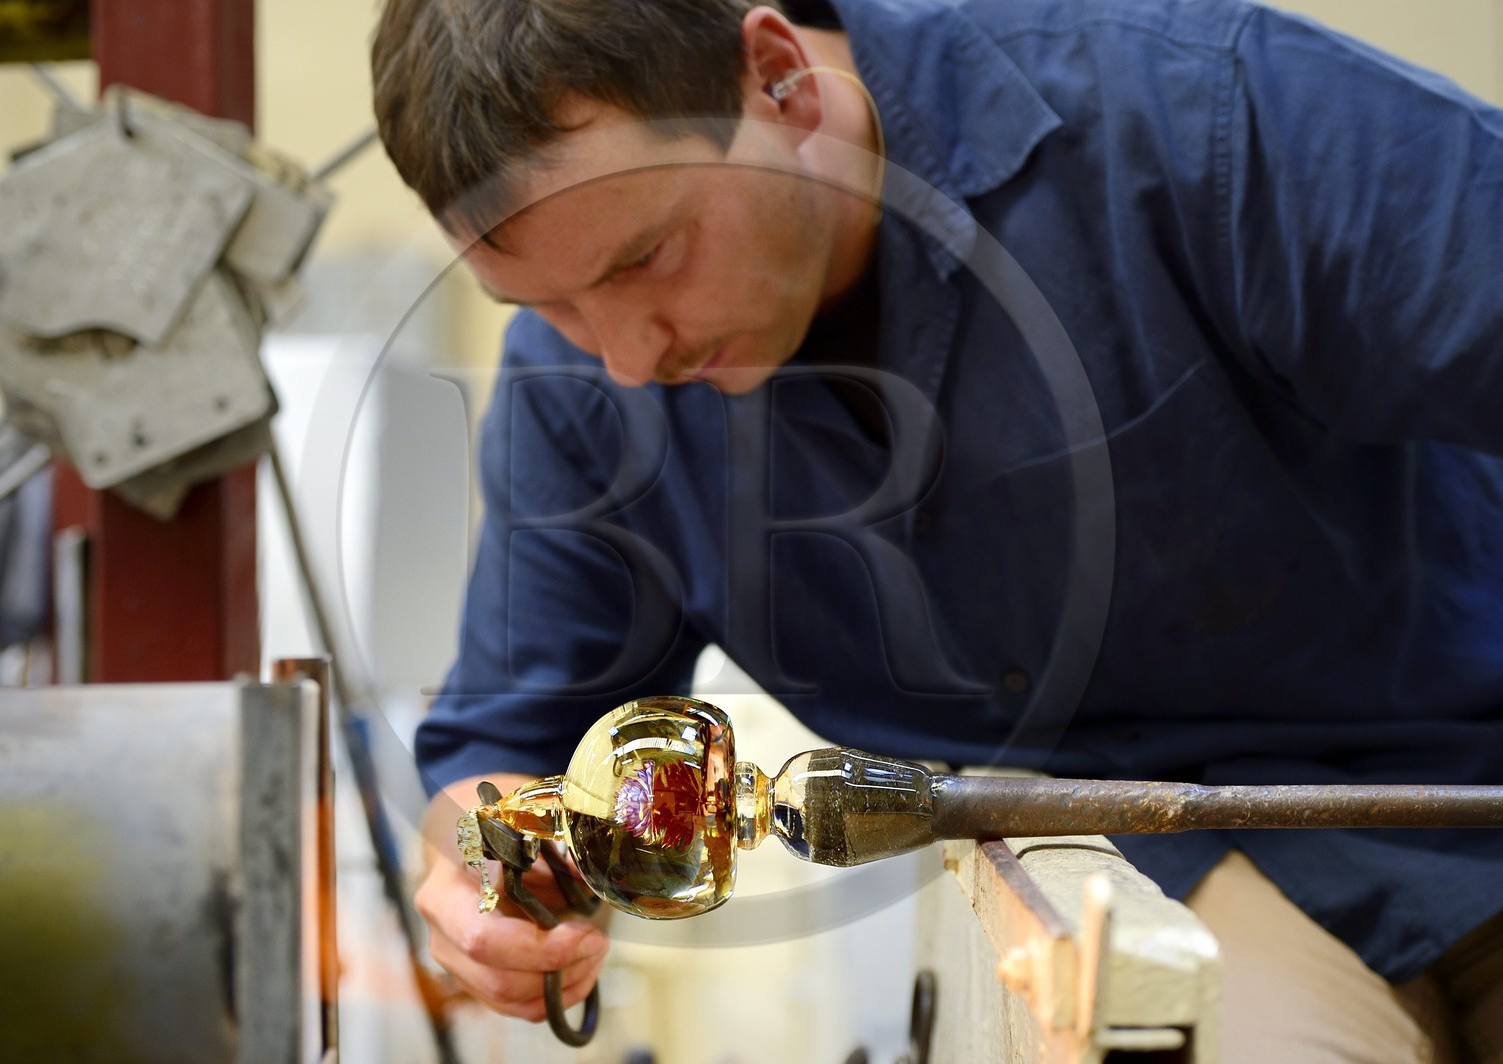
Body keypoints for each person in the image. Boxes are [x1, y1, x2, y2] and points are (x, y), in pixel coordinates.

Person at [370, 0, 1503, 1058]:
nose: (623, 355)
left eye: (643, 257)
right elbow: (508, 751)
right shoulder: (580, 396)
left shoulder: (1188, 117)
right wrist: (489, 876)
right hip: (1169, 876)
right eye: (552, 307)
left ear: (776, 79)